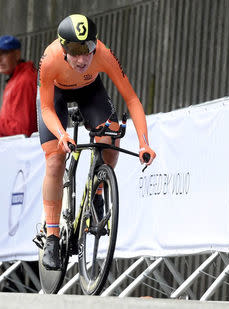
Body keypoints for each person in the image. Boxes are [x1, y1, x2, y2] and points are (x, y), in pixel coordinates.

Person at [38, 14, 156, 270]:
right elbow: (46, 108)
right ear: (63, 48)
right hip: (56, 97)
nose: (82, 59)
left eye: (88, 50)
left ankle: (98, 190)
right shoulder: (50, 59)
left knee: (111, 133)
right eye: (75, 51)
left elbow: (132, 100)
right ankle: (52, 236)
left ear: (95, 44)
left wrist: (144, 143)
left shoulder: (103, 54)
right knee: (55, 159)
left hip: (90, 90)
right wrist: (62, 135)